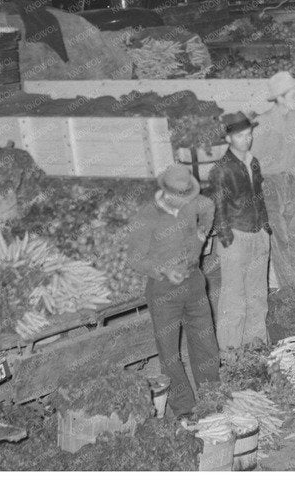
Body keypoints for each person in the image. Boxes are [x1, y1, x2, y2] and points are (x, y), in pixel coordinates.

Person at [126, 165, 221, 422]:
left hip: (194, 281)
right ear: (166, 193)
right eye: (182, 197)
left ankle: (211, 399)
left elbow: (208, 206)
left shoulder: (192, 202)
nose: (188, 201)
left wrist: (202, 233)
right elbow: (134, 259)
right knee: (169, 355)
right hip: (164, 290)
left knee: (206, 344)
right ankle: (185, 409)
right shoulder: (146, 217)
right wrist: (164, 271)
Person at [206, 114, 271, 349]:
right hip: (235, 236)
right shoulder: (221, 170)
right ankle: (231, 354)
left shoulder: (253, 162)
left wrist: (265, 229)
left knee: (257, 297)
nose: (247, 140)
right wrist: (227, 240)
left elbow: (259, 198)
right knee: (234, 301)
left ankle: (256, 349)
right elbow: (218, 209)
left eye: (249, 135)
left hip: (258, 234)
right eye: (240, 136)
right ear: (228, 138)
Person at [256, 71, 295, 291]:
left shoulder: (294, 117)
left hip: (292, 182)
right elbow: (254, 161)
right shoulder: (263, 122)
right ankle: (291, 291)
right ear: (279, 97)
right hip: (269, 185)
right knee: (281, 239)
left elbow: (294, 153)